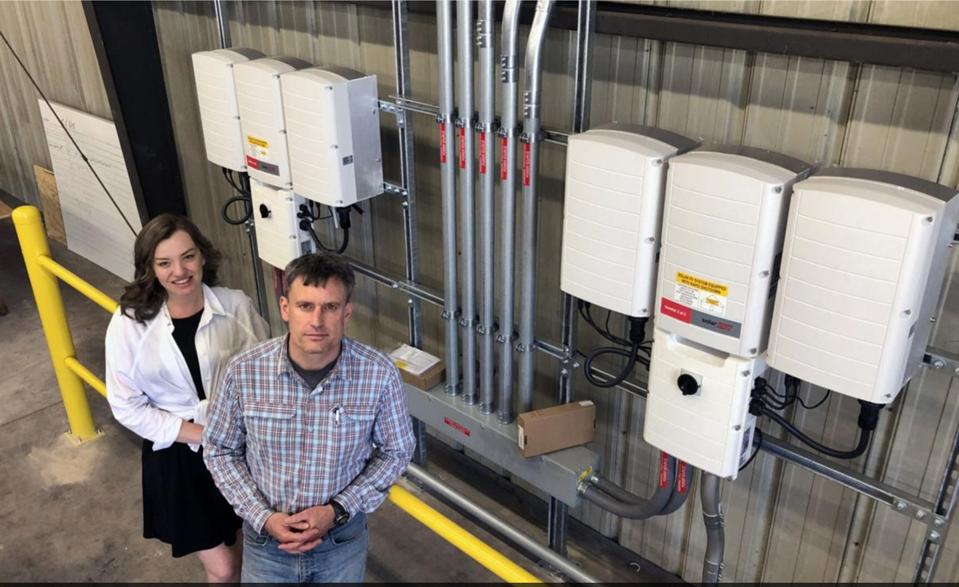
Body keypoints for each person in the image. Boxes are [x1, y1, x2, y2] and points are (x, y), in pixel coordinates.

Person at [203, 252, 415, 583]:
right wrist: (264, 517)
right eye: (305, 306)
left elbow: (396, 451)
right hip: (265, 543)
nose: (317, 321)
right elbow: (219, 449)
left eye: (329, 307)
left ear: (347, 312)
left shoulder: (378, 374)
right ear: (285, 308)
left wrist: (337, 510)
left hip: (341, 543)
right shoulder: (244, 371)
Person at [104, 214, 270, 582]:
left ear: (203, 257)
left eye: (188, 256)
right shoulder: (129, 323)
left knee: (242, 547)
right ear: (150, 268)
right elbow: (125, 405)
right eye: (164, 263)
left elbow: (265, 374)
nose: (179, 271)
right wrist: (199, 434)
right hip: (180, 458)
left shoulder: (236, 306)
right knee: (223, 569)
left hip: (238, 449)